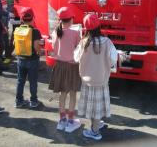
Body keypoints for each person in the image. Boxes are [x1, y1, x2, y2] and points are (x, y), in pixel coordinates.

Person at [74, 13, 118, 141]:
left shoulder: (83, 43)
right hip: (102, 80)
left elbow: (76, 58)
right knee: (97, 106)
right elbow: (113, 59)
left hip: (87, 81)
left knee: (92, 106)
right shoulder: (107, 42)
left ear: (86, 28)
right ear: (99, 26)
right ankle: (95, 127)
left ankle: (95, 131)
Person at [49, 7, 82, 133]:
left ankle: (62, 120)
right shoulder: (75, 33)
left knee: (63, 94)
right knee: (73, 94)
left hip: (59, 66)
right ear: (71, 19)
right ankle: (70, 121)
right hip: (72, 67)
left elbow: (54, 47)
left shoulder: (55, 32)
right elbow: (79, 48)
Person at [14, 7, 42, 108]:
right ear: (33, 18)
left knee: (20, 80)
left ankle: (18, 100)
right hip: (32, 60)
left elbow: (14, 43)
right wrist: (39, 53)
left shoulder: (17, 30)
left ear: (21, 19)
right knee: (33, 81)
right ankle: (33, 101)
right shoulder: (35, 31)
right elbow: (36, 46)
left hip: (20, 59)